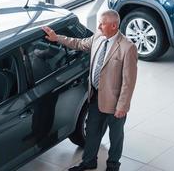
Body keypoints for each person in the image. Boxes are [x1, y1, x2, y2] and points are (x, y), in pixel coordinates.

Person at [42, 9, 138, 171]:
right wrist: (56, 38)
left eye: (102, 24)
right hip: (94, 96)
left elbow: (129, 82)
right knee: (92, 131)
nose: (99, 26)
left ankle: (113, 165)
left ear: (114, 26)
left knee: (116, 136)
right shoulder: (98, 37)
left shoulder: (127, 48)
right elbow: (78, 44)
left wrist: (122, 106)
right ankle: (89, 162)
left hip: (115, 102)